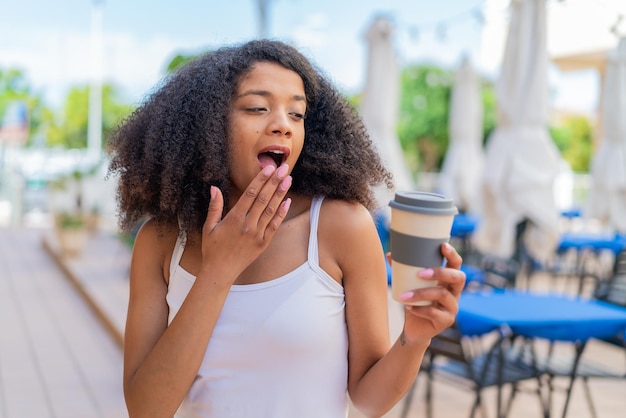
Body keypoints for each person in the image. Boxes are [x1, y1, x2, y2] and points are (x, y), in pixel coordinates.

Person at [108, 39, 465, 418]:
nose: (283, 125)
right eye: (257, 108)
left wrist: (415, 336)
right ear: (208, 126)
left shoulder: (342, 227)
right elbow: (146, 409)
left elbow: (367, 400)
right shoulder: (162, 241)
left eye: (297, 114)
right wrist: (219, 269)